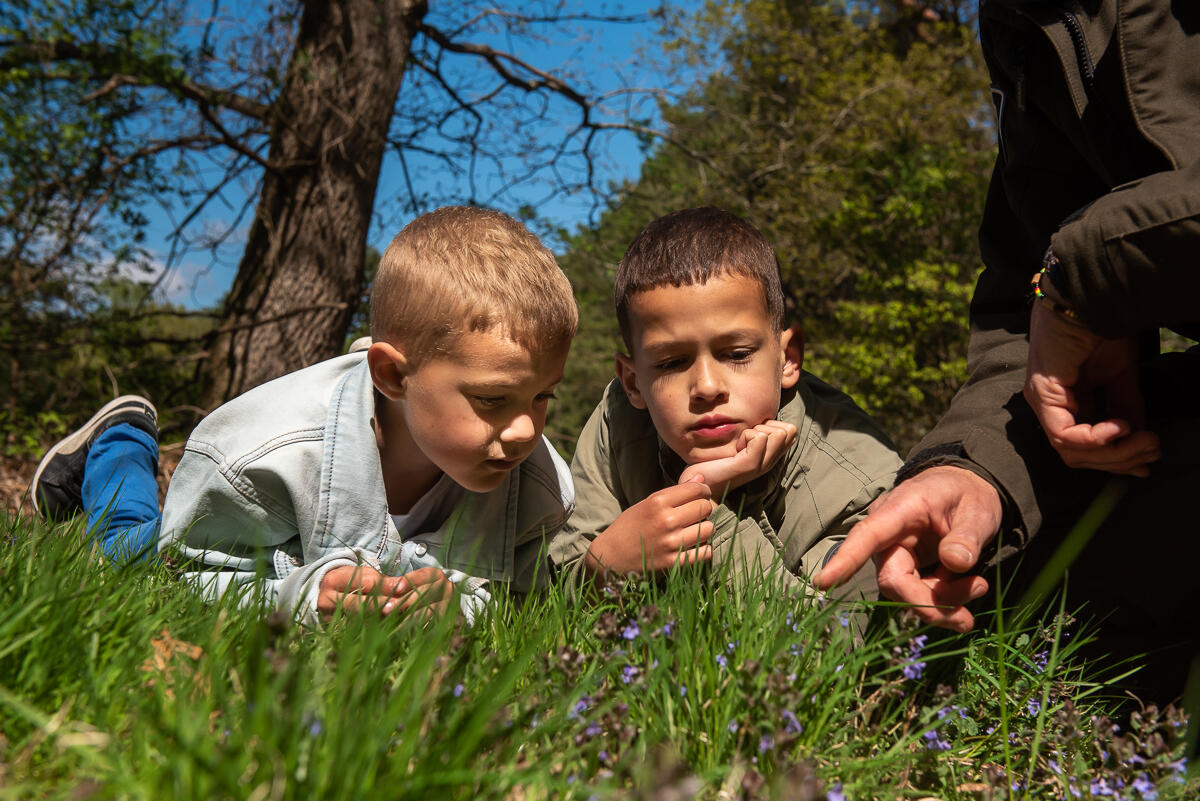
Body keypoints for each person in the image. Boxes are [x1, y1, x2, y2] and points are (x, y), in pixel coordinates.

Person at [817, 0, 1200, 699]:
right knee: (989, 593)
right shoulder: (1027, 21)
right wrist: (973, 470)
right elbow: (1025, 287)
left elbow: (1062, 275)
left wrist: (1082, 278)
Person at [33, 206, 578, 626]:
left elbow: (516, 602)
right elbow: (183, 580)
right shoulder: (254, 462)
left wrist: (457, 609)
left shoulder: (538, 487)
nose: (527, 429)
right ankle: (121, 442)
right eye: (491, 401)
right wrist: (300, 598)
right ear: (391, 376)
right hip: (215, 533)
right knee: (125, 548)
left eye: (542, 398)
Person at [550, 207, 901, 601]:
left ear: (788, 359)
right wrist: (600, 571)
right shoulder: (620, 420)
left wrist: (707, 501)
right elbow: (552, 591)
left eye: (736, 354)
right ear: (633, 381)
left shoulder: (857, 483)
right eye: (671, 362)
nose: (706, 386)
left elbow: (832, 646)